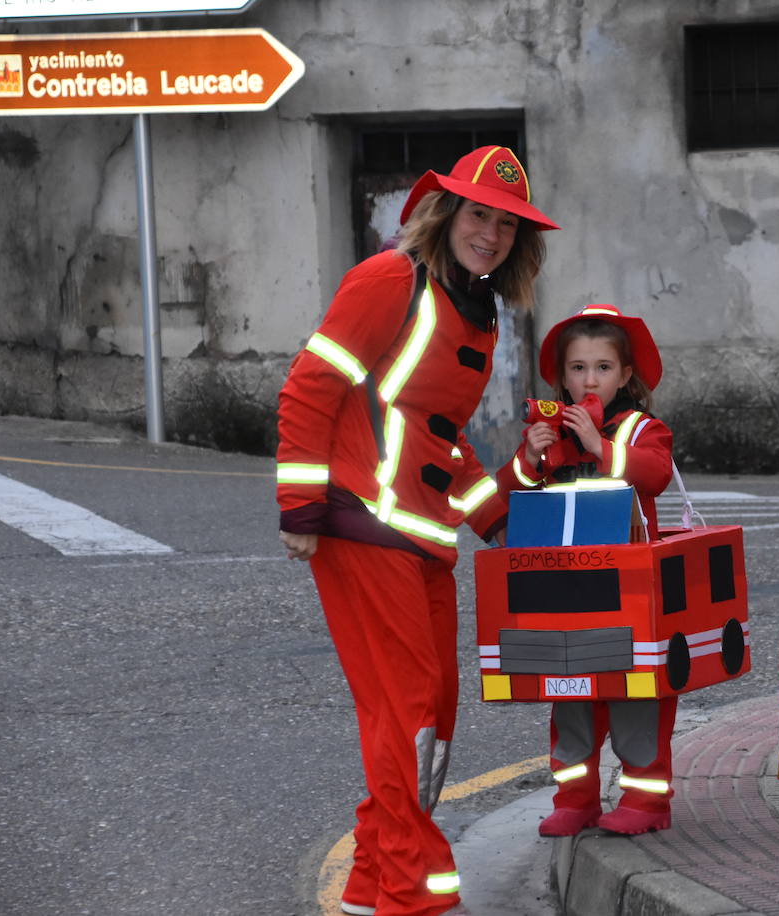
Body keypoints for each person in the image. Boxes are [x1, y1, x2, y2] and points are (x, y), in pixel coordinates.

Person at [275, 146, 558, 916]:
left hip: (420, 531)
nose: (491, 234)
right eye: (478, 214)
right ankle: (412, 890)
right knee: (406, 712)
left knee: (434, 707)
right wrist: (299, 507)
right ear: (444, 212)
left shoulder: (481, 310)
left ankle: (372, 877)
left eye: (507, 225)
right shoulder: (388, 280)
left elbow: (440, 438)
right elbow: (311, 385)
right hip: (360, 521)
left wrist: (500, 512)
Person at [496, 303, 677, 837]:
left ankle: (647, 801)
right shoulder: (550, 430)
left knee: (635, 694)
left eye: (602, 367)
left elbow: (656, 473)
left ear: (625, 375)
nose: (589, 378)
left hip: (628, 587)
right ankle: (574, 798)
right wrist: (528, 459)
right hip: (565, 588)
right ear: (562, 377)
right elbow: (509, 496)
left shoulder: (643, 427)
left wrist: (602, 447)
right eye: (577, 368)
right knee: (569, 689)